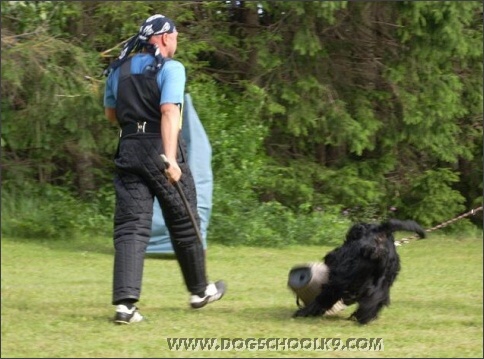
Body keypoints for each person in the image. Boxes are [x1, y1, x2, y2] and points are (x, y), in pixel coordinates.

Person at [103, 14, 226, 324]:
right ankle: (200, 291)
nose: (176, 41)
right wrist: (170, 158)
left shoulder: (118, 70)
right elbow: (170, 110)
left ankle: (125, 307)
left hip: (128, 148)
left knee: (131, 227)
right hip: (160, 147)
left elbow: (111, 115)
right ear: (163, 38)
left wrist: (136, 126)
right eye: (174, 35)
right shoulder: (171, 69)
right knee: (184, 220)